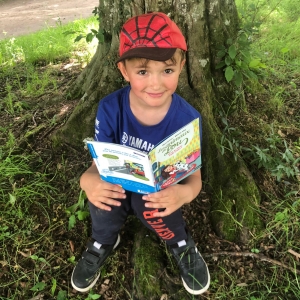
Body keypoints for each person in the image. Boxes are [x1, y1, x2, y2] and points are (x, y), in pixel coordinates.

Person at [71, 12, 210, 296]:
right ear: (124, 71)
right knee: (101, 200)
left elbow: (194, 179)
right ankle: (102, 241)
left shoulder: (186, 120)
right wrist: (88, 182)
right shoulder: (111, 108)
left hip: (156, 192)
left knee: (156, 206)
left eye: (167, 71)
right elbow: (98, 166)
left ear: (181, 66)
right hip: (119, 183)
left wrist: (182, 195)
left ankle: (180, 243)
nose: (156, 84)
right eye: (143, 72)